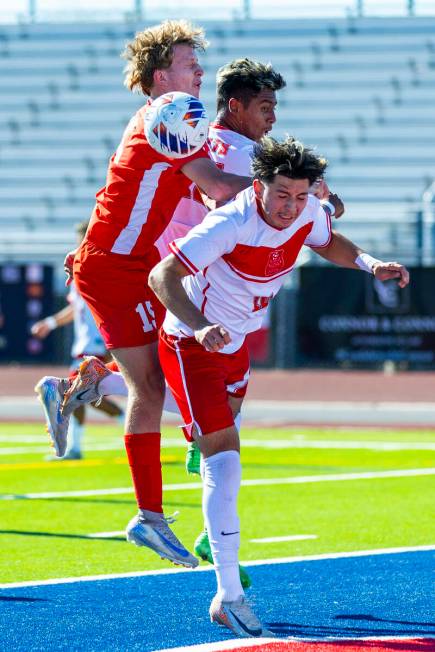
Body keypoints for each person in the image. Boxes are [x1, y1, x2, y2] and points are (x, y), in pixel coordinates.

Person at [147, 135, 409, 637]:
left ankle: (100, 385)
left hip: (235, 345)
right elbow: (163, 278)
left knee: (218, 451)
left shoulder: (307, 210)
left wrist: (370, 263)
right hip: (192, 344)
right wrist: (200, 325)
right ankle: (229, 594)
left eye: (300, 196)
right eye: (282, 194)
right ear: (260, 184)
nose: (291, 207)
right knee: (224, 463)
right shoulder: (230, 221)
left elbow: (327, 240)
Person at [57, 20, 254, 570]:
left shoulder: (172, 120)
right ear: (162, 72)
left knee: (165, 373)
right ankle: (147, 515)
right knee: (151, 386)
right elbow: (218, 187)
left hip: (133, 262)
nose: (200, 75)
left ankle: (82, 382)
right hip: (114, 264)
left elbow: (209, 185)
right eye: (191, 65)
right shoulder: (171, 114)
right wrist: (294, 193)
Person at [33, 221, 124, 460]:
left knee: (76, 394)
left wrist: (109, 339)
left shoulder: (99, 266)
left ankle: (77, 446)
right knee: (83, 395)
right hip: (84, 342)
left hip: (94, 342)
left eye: (83, 238)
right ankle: (82, 443)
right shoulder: (79, 267)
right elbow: (76, 309)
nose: (79, 243)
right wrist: (50, 323)